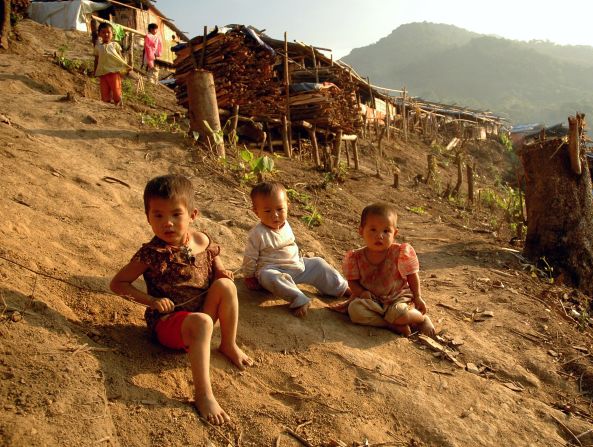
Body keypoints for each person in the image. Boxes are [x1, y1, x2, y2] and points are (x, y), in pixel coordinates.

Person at [110, 174, 252, 425]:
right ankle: (203, 394)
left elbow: (214, 258)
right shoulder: (151, 253)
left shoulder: (202, 240)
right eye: (158, 215)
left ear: (192, 215)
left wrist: (220, 272)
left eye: (176, 215)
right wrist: (152, 300)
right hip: (170, 324)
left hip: (202, 318)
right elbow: (117, 283)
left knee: (226, 286)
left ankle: (228, 344)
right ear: (148, 217)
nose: (168, 223)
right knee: (202, 323)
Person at [241, 181, 349, 317]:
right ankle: (299, 298)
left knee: (318, 264)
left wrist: (300, 263)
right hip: (273, 270)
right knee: (268, 276)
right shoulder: (257, 234)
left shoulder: (286, 225)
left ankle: (342, 288)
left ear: (288, 206)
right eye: (268, 211)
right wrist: (249, 276)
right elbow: (250, 257)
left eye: (279, 209)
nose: (275, 215)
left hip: (297, 266)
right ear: (256, 212)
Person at [332, 202, 435, 336]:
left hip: (396, 299)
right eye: (373, 229)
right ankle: (390, 325)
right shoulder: (355, 257)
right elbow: (353, 281)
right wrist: (362, 293)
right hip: (372, 302)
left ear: (395, 233)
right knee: (355, 311)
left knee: (400, 314)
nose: (379, 235)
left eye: (386, 231)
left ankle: (421, 319)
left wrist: (417, 297)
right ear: (361, 230)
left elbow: (412, 275)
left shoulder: (399, 253)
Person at [93, 22, 131, 105]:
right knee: (104, 92)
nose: (106, 34)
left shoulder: (115, 45)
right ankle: (107, 107)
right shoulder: (98, 47)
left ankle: (119, 105)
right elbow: (96, 60)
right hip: (102, 73)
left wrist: (124, 67)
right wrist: (95, 71)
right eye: (103, 32)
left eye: (108, 32)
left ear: (112, 33)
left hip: (114, 72)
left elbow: (120, 58)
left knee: (116, 91)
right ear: (99, 34)